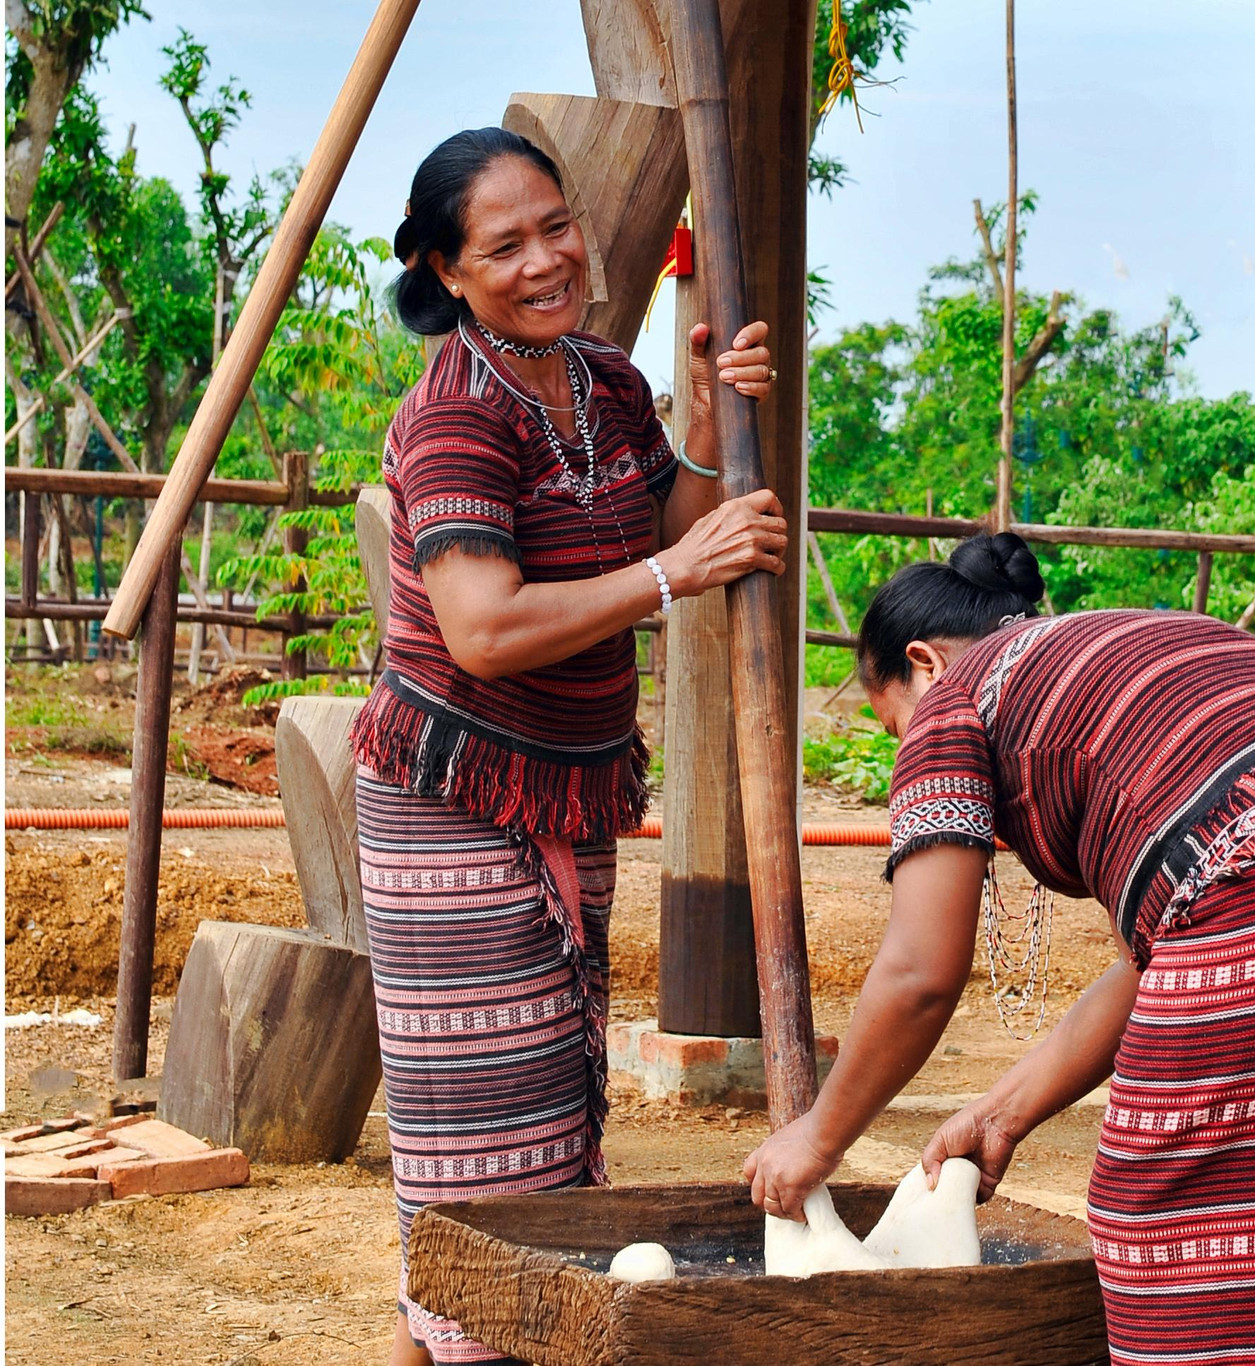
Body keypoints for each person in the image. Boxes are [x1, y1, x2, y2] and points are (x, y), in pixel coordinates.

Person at [745, 534, 1255, 1366]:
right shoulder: (1111, 646)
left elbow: (919, 973)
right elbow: (1161, 958)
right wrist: (1001, 1112)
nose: (902, 742)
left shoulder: (953, 702)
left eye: (889, 722)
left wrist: (818, 1139)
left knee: (1162, 1223)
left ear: (921, 663)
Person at [350, 126, 785, 1366]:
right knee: (475, 1167)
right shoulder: (452, 415)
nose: (545, 258)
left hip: (564, 797)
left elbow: (676, 523)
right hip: (456, 807)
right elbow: (482, 630)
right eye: (504, 245)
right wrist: (669, 571)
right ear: (444, 270)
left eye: (557, 224)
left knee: (548, 1127)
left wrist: (704, 425)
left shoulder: (602, 380)